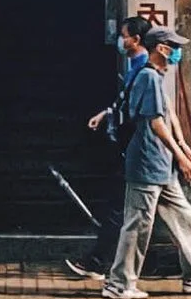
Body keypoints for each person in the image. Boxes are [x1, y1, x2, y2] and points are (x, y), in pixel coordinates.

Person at [102, 27, 191, 299]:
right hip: (147, 161)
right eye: (173, 46)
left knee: (183, 215)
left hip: (162, 164)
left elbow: (169, 115)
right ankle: (119, 283)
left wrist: (181, 148)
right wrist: (180, 155)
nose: (177, 52)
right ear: (161, 48)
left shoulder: (155, 77)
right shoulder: (148, 77)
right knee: (138, 224)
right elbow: (155, 122)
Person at [66, 16, 155, 279]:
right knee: (151, 212)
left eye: (124, 35)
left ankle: (100, 261)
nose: (120, 39)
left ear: (136, 40)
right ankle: (190, 269)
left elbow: (144, 112)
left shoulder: (144, 70)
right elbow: (123, 102)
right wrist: (106, 113)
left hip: (137, 150)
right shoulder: (134, 67)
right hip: (133, 148)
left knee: (121, 209)